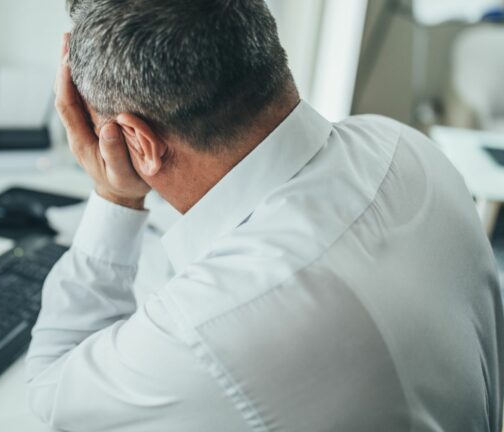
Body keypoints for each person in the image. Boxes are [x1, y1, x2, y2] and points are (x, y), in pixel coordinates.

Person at [25, 0, 504, 431]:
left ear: (139, 143)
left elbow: (53, 389)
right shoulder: (406, 146)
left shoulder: (203, 330)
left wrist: (114, 196)